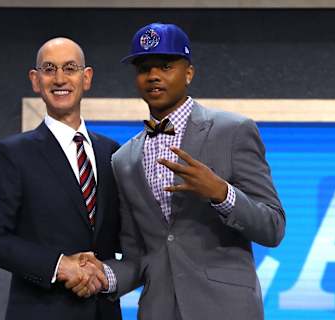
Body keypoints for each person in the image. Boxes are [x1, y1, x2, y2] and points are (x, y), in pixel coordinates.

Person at [81, 22, 286, 320]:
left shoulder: (233, 131)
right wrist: (101, 275)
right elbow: (139, 257)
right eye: (143, 68)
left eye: (165, 66)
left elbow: (273, 227)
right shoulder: (123, 160)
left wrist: (221, 193)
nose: (153, 76)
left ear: (188, 73)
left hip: (227, 310)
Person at [0, 37, 122, 320]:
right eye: (49, 69)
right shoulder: (13, 154)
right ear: (35, 80)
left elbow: (128, 240)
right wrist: (60, 265)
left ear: (86, 77)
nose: (60, 78)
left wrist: (106, 275)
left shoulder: (113, 154)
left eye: (70, 68)